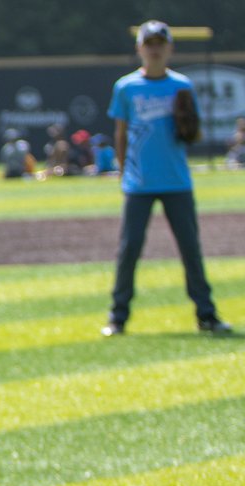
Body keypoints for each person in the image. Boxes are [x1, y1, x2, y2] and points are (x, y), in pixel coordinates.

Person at [102, 19, 232, 337]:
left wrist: (188, 125)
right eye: (150, 44)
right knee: (129, 248)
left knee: (190, 248)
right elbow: (119, 134)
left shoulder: (182, 86)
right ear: (140, 49)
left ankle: (207, 315)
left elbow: (194, 133)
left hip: (177, 180)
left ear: (170, 48)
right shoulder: (127, 87)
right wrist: (123, 170)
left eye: (160, 43)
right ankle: (118, 318)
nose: (155, 49)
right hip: (139, 182)